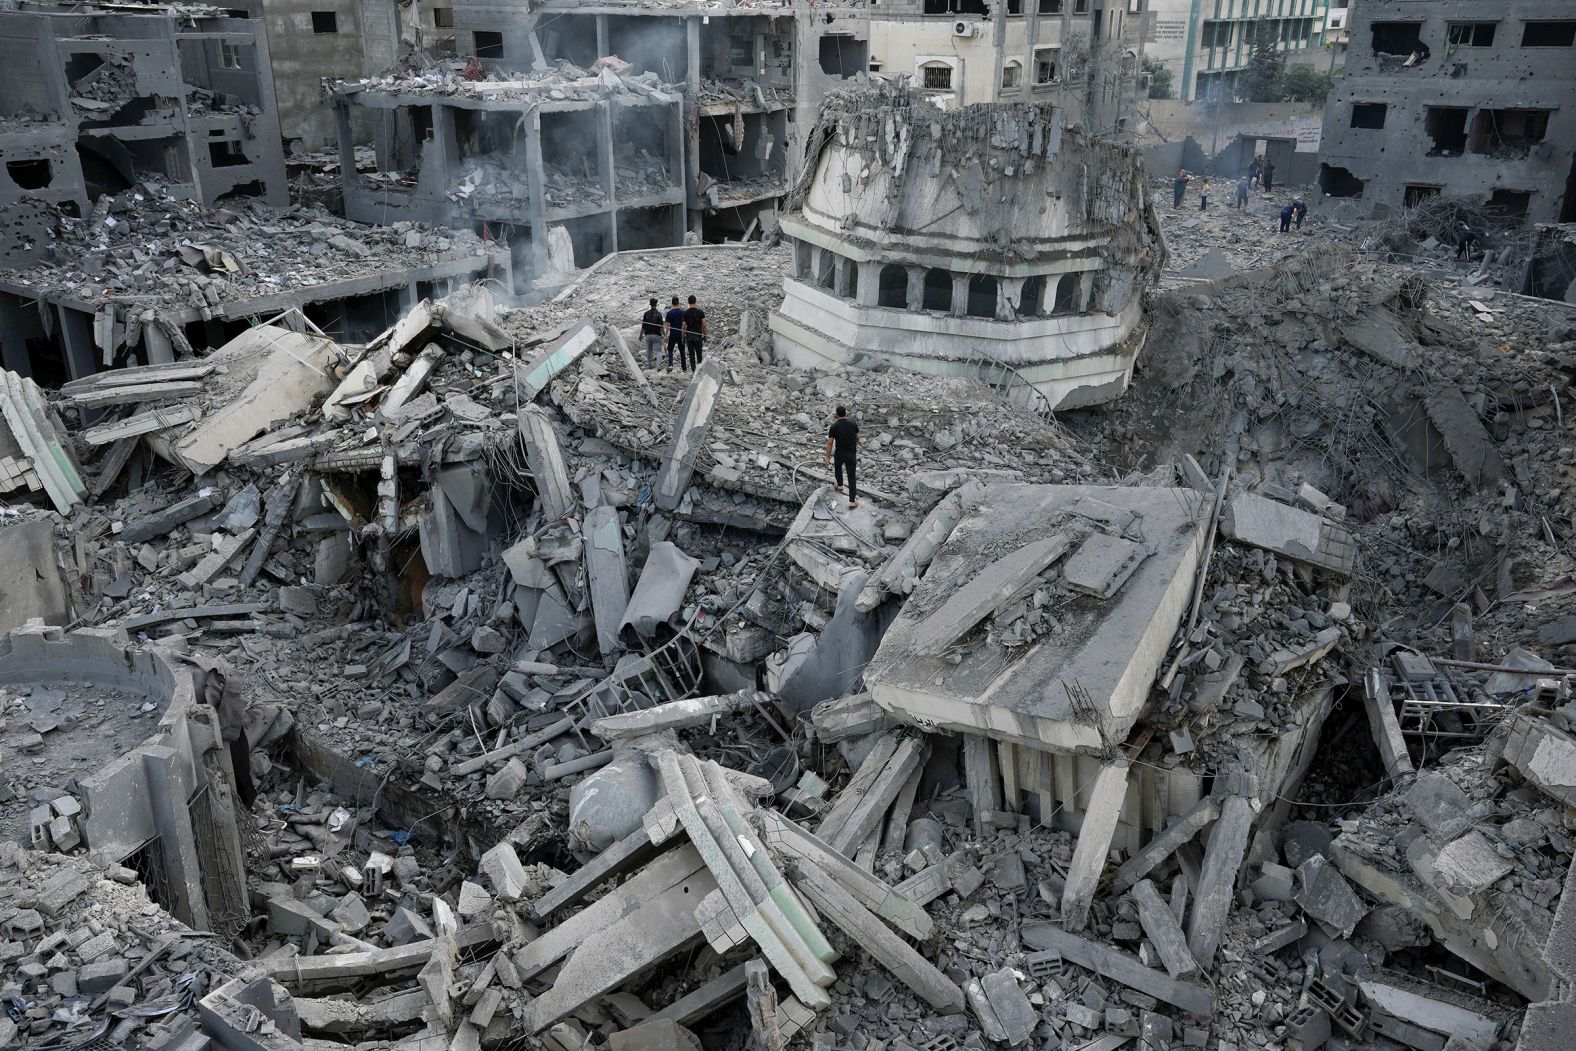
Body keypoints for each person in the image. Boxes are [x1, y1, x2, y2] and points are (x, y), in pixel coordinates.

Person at [824, 404, 859, 509]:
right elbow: (858, 437)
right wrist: (854, 443)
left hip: (839, 453)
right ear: (845, 413)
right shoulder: (853, 424)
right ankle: (852, 501)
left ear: (837, 415)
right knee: (851, 477)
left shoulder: (834, 426)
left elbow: (830, 443)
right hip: (851, 454)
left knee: (838, 469)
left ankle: (840, 486)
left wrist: (827, 457)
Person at [681, 294, 707, 371]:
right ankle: (700, 371)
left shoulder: (685, 313)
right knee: (699, 355)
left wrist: (683, 337)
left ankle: (693, 370)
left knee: (691, 355)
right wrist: (705, 335)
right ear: (695, 301)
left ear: (688, 302)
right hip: (698, 336)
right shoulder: (700, 312)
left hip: (689, 337)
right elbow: (704, 325)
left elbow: (683, 326)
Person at [640, 298, 664, 369]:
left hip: (648, 335)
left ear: (650, 304)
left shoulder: (646, 314)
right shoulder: (659, 314)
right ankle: (658, 366)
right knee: (658, 351)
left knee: (649, 350)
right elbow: (661, 327)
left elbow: (643, 326)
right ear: (656, 304)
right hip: (656, 335)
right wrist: (665, 334)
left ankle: (649, 364)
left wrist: (640, 334)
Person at [663, 295, 685, 371]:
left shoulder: (669, 313)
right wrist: (683, 334)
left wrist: (665, 336)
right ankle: (684, 368)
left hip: (673, 334)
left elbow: (667, 326)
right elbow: (684, 324)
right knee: (682, 350)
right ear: (678, 303)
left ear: (672, 303)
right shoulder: (682, 312)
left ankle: (670, 365)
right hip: (680, 334)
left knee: (670, 349)